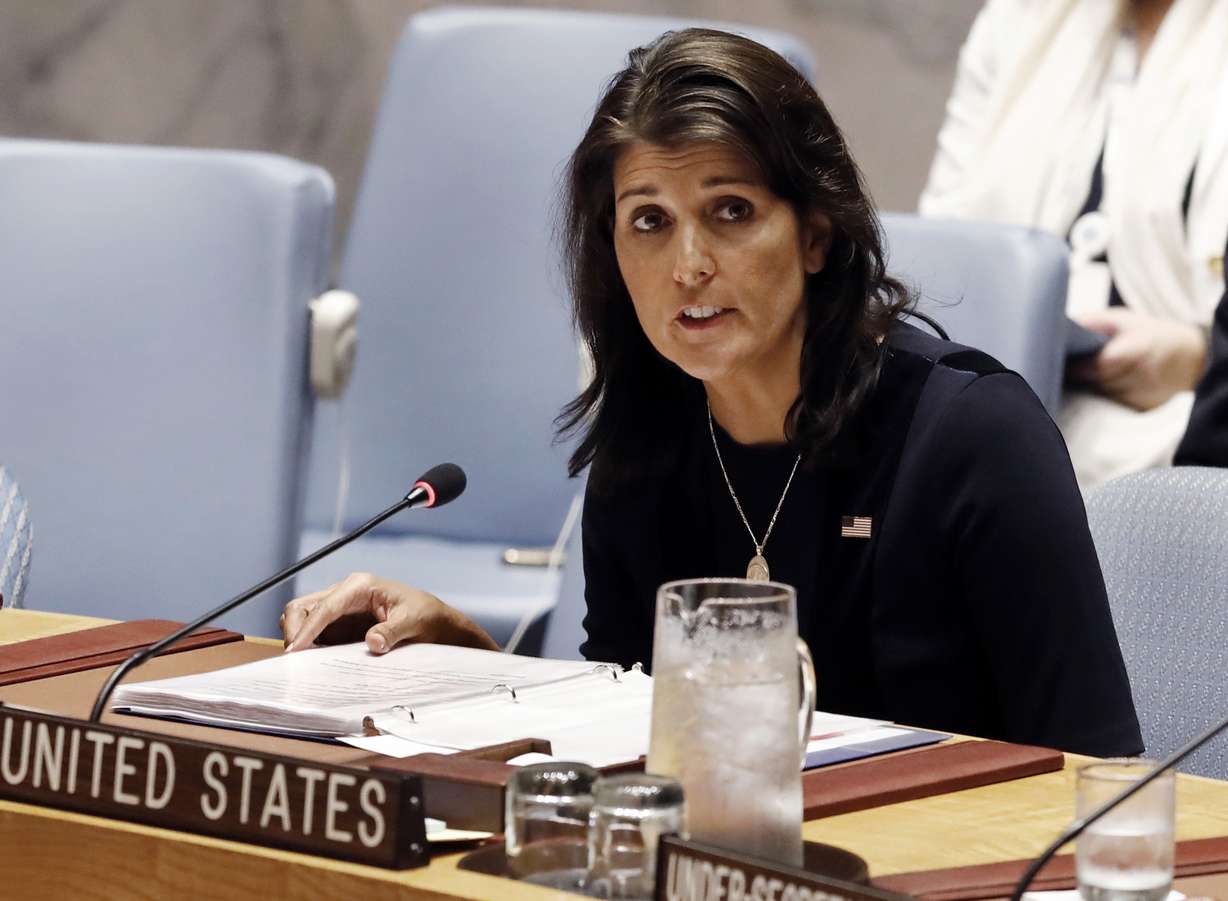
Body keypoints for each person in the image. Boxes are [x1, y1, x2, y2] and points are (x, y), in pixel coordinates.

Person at [283, 28, 1143, 757]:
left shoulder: (974, 438)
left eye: (731, 210)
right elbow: (623, 736)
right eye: (649, 221)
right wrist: (464, 654)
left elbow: (1099, 778)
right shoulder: (644, 451)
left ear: (815, 233)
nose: (689, 264)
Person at [920, 0, 1228, 491]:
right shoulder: (1016, 20)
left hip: (1185, 430)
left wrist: (1198, 357)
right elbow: (942, 254)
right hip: (994, 404)